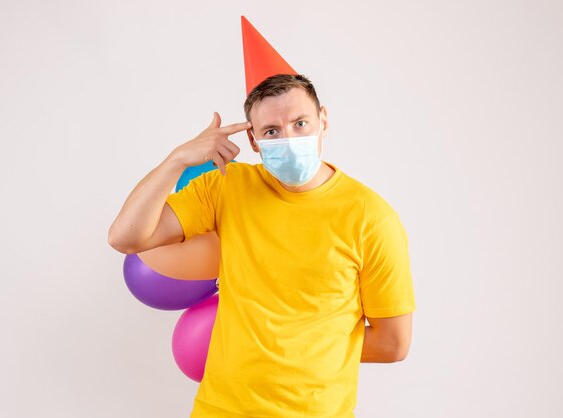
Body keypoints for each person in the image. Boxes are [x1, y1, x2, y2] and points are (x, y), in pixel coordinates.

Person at [108, 73, 417, 418]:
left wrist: (305, 348)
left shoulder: (372, 218)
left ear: (323, 121)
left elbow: (393, 343)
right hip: (221, 410)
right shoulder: (226, 188)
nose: (289, 138)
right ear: (254, 141)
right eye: (272, 131)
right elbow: (125, 237)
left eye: (300, 123)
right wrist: (177, 159)